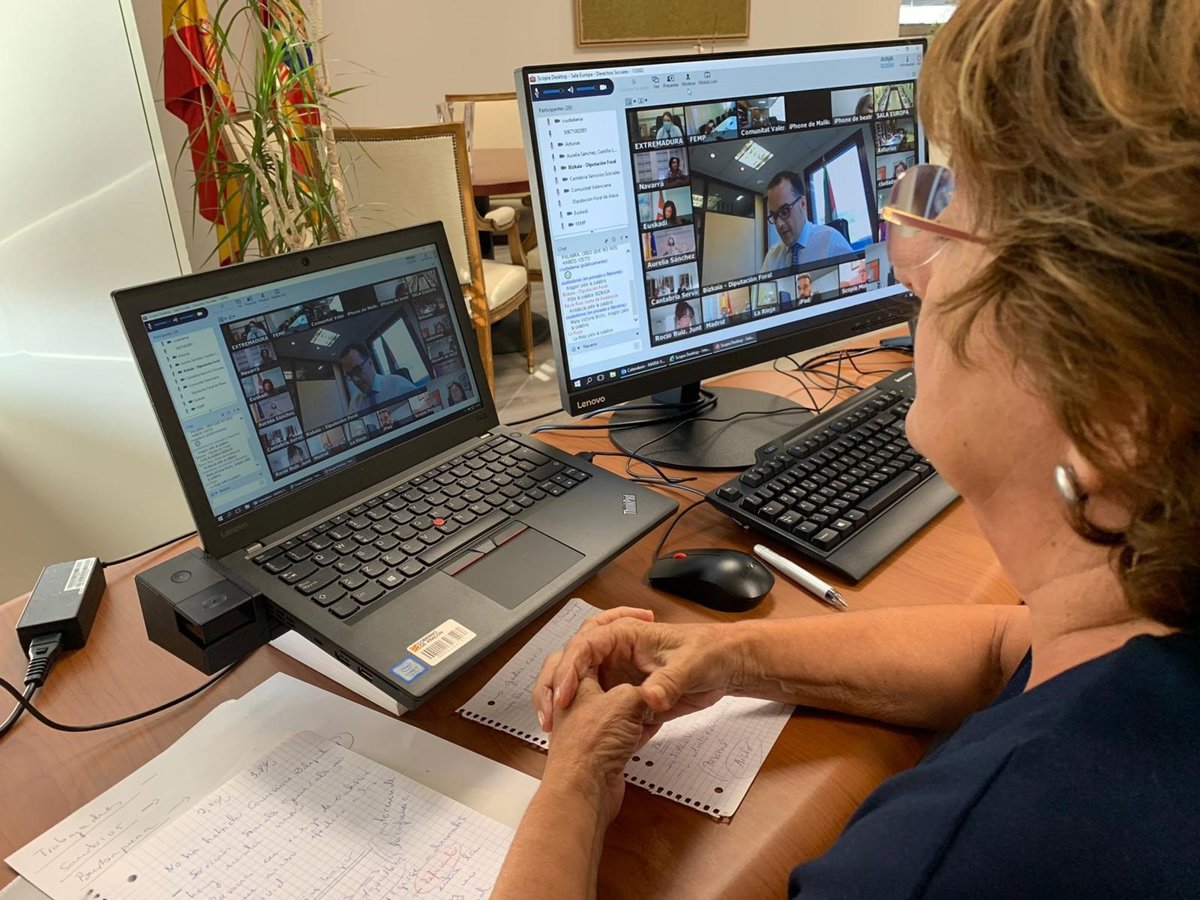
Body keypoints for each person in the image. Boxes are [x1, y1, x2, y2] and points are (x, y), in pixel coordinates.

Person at [490, 1, 1200, 897]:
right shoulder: (1142, 613)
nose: (910, 266)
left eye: (958, 220)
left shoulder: (942, 865)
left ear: (1115, 410)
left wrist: (575, 782)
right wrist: (728, 657)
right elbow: (1001, 648)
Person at [760, 171, 854, 272]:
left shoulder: (832, 242)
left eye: (784, 211)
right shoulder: (772, 258)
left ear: (802, 204)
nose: (779, 224)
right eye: (774, 216)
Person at [338, 341, 417, 413]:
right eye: (350, 375)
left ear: (370, 362)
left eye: (357, 370)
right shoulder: (355, 404)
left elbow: (422, 408)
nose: (355, 379)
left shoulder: (398, 384)